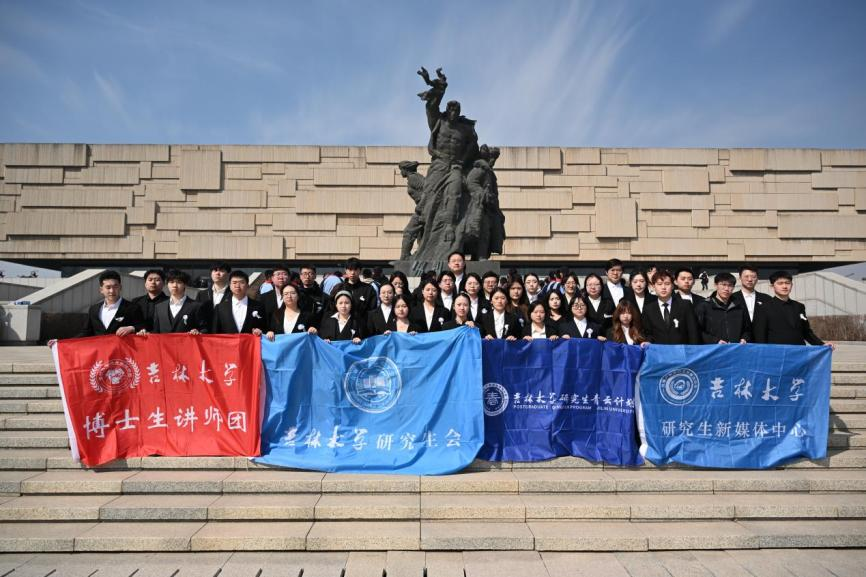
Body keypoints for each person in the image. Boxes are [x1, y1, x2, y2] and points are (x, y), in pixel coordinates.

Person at [753, 271, 835, 349]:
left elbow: (806, 332)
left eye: (787, 283)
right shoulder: (764, 307)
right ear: (772, 286)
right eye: (780, 283)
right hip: (776, 353)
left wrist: (822, 344)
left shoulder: (799, 307)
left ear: (792, 285)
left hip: (799, 352)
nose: (784, 286)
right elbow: (760, 336)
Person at [77, 270, 144, 337]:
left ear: (120, 287)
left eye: (115, 287)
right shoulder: (94, 309)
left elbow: (142, 327)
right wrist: (71, 342)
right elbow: (86, 332)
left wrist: (132, 328)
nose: (112, 291)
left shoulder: (132, 308)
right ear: (101, 290)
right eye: (108, 287)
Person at [641, 270, 699, 344]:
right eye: (659, 284)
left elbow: (693, 332)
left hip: (682, 349)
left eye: (667, 284)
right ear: (653, 286)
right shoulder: (648, 309)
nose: (663, 287)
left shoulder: (685, 305)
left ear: (672, 286)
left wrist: (693, 349)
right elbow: (648, 333)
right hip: (659, 350)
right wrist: (648, 341)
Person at [694, 272, 751, 344]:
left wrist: (744, 338)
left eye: (730, 285)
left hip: (736, 348)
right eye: (723, 285)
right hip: (714, 348)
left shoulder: (740, 306)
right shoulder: (704, 306)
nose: (726, 289)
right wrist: (715, 341)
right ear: (715, 285)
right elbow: (697, 330)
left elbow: (747, 329)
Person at [148, 269, 207, 334]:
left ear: (185, 285)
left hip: (187, 341)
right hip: (164, 341)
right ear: (167, 284)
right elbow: (155, 332)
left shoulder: (196, 306)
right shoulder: (159, 307)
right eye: (171, 282)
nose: (174, 285)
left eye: (179, 282)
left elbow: (204, 329)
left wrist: (197, 332)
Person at [211, 270, 267, 335]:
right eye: (234, 283)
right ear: (230, 286)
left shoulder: (258, 306)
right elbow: (215, 333)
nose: (237, 286)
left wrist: (260, 331)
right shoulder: (220, 308)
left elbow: (265, 328)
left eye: (242, 282)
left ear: (247, 286)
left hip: (249, 341)